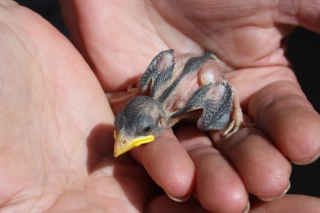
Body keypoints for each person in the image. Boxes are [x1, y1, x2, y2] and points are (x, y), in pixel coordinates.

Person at [0, 0, 319, 212]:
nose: (122, 143)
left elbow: (214, 85)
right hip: (170, 74)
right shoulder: (150, 98)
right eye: (121, 134)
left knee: (213, 117)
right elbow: (165, 60)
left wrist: (230, 101)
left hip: (206, 69)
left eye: (141, 132)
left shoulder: (188, 106)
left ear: (160, 122)